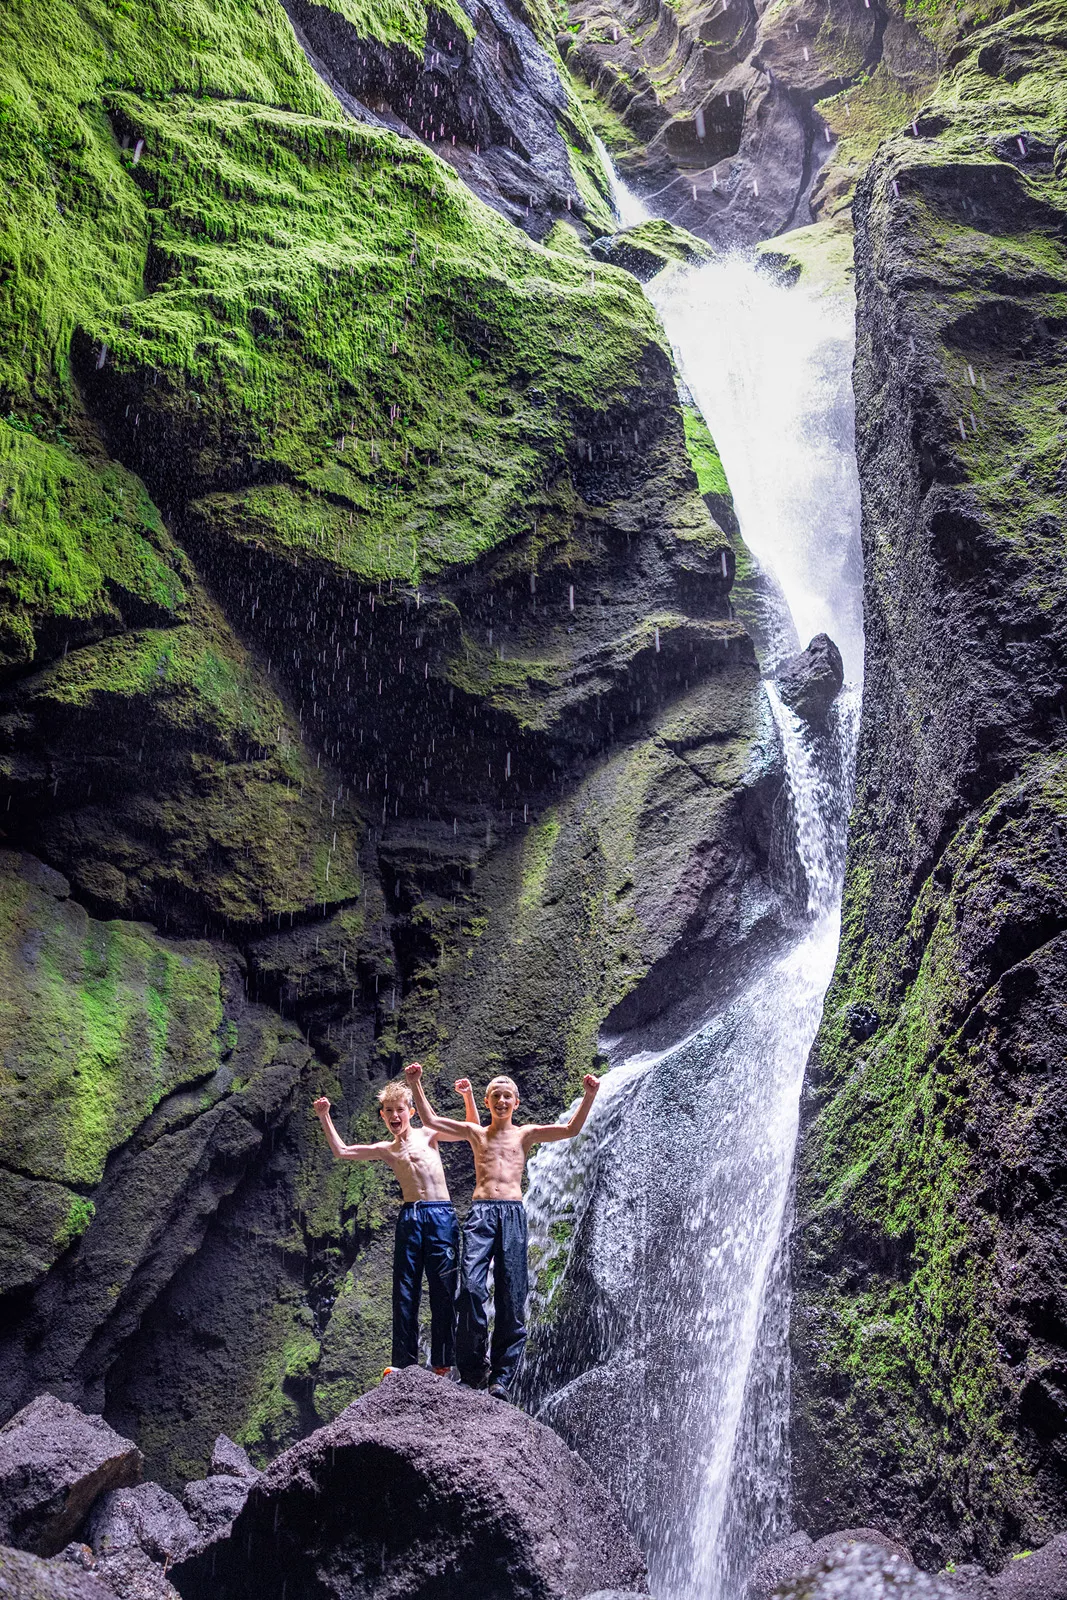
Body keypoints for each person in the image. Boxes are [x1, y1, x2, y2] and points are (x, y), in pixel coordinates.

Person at [404, 1061, 600, 1402]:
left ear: (516, 1102)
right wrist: (415, 1082)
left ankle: (502, 1378)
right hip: (481, 1213)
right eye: (496, 1095)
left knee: (511, 1296)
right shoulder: (477, 1133)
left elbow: (570, 1129)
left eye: (507, 1096)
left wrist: (590, 1095)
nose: (502, 1100)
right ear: (487, 1101)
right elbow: (432, 1121)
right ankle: (473, 1371)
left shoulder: (526, 1134)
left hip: (512, 1214)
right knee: (471, 1290)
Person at [312, 1075, 480, 1377]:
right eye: (388, 1111)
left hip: (440, 1214)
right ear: (382, 1115)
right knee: (404, 1290)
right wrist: (324, 1116)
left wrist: (467, 1096)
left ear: (411, 1112)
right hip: (410, 1217)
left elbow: (472, 1131)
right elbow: (343, 1151)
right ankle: (403, 1362)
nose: (394, 1116)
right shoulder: (387, 1149)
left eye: (399, 1109)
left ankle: (442, 1361)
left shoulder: (430, 1133)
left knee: (443, 1287)